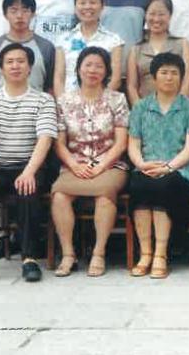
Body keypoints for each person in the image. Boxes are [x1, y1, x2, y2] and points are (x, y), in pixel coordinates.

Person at [0, 43, 57, 285]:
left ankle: (29, 259)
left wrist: (29, 172)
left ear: (30, 67)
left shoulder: (44, 100)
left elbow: (45, 139)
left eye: (21, 61)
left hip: (29, 165)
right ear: (1, 68)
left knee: (28, 190)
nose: (16, 66)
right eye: (10, 62)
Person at [51, 47, 130, 277]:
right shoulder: (64, 101)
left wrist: (100, 166)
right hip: (74, 163)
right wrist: (74, 165)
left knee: (104, 195)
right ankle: (68, 254)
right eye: (88, 65)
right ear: (78, 69)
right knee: (60, 195)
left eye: (99, 66)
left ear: (106, 71)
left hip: (111, 164)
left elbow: (121, 143)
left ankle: (99, 253)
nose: (93, 70)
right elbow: (59, 143)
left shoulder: (117, 99)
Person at [127, 52, 189, 279]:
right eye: (164, 72)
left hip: (181, 169)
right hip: (147, 166)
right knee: (138, 185)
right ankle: (145, 254)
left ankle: (161, 254)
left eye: (174, 73)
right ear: (154, 76)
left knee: (163, 186)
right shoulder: (141, 107)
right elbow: (133, 144)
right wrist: (142, 165)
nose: (169, 77)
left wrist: (169, 167)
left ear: (181, 77)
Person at [0, 0, 56, 94]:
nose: (19, 15)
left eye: (25, 10)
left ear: (33, 14)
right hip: (1, 104)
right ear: (5, 14)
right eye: (13, 11)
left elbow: (50, 87)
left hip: (37, 103)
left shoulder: (46, 47)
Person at [127, 0, 189, 106]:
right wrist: (141, 111)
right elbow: (131, 86)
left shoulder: (182, 44)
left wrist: (178, 109)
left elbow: (187, 80)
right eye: (152, 14)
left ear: (170, 16)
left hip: (177, 109)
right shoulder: (136, 49)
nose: (156, 19)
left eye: (161, 14)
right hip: (146, 109)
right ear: (145, 15)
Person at [53, 0, 123, 94]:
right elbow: (59, 78)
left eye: (93, 2)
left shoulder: (114, 40)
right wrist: (62, 101)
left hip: (102, 101)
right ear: (75, 7)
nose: (87, 7)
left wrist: (98, 100)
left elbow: (115, 79)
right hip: (69, 101)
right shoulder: (63, 39)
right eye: (82, 3)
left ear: (102, 6)